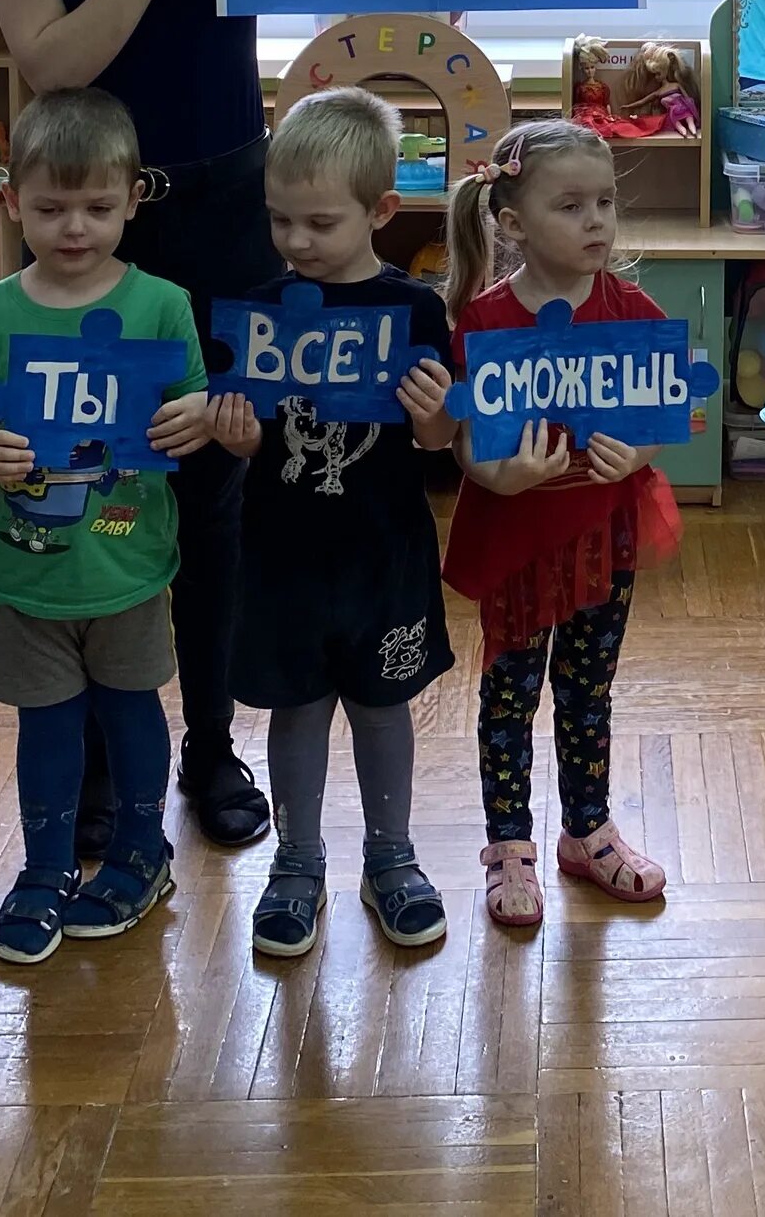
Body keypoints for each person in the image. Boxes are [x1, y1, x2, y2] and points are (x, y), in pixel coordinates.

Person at [0, 0, 279, 852]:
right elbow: (51, 65)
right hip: (80, 240)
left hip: (227, 219)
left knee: (213, 503)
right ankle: (106, 767)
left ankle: (209, 754)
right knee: (90, 493)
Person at [0, 90, 219, 964]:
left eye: (99, 208)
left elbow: (192, 405)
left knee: (132, 711)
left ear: (134, 198)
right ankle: (45, 867)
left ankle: (143, 854)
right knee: (47, 727)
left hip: (129, 567)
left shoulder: (163, 304)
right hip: (26, 574)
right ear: (12, 199)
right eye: (52, 208)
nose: (76, 228)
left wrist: (198, 418)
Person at [213, 88, 458, 959]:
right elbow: (243, 433)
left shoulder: (418, 313)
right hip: (280, 553)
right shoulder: (257, 311)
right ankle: (297, 862)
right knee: (297, 709)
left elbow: (439, 441)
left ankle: (391, 857)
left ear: (381, 211)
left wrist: (436, 419)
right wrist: (234, 436)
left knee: (385, 709)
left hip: (383, 552)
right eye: (281, 221)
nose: (297, 242)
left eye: (319, 222)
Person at [443, 118, 683, 927]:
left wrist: (639, 455)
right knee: (509, 698)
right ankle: (509, 847)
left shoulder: (631, 307)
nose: (597, 223)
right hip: (518, 540)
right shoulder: (481, 322)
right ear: (510, 223)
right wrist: (501, 475)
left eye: (606, 203)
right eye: (572, 206)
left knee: (588, 690)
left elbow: (663, 410)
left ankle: (587, 831)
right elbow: (471, 448)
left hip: (601, 533)